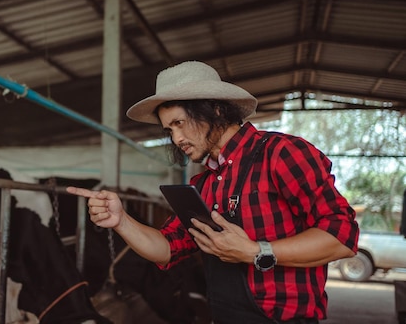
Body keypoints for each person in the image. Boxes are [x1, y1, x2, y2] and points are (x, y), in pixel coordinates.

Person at [67, 61, 359, 324]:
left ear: (216, 109)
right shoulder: (203, 185)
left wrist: (256, 252)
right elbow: (167, 248)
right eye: (169, 130)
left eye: (180, 123)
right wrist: (121, 221)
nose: (176, 138)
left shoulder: (280, 153)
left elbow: (341, 237)